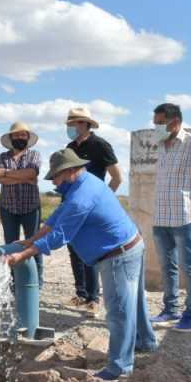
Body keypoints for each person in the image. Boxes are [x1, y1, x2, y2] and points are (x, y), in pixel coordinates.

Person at [3, 149, 156, 381]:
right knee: (134, 303)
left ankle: (119, 367)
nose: (54, 182)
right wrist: (30, 240)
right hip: (131, 244)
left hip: (117, 255)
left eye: (56, 176)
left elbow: (59, 236)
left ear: (71, 170)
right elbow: (56, 218)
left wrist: (23, 255)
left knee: (118, 313)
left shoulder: (81, 196)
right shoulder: (82, 184)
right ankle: (145, 342)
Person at [149, 103, 191, 333]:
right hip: (161, 217)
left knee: (190, 267)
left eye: (160, 123)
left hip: (184, 217)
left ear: (174, 121)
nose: (156, 127)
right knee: (168, 267)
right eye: (155, 123)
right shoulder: (161, 146)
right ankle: (170, 309)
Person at [63, 107, 121, 317]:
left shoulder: (100, 145)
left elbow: (117, 177)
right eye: (69, 123)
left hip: (91, 206)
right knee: (74, 249)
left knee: (89, 250)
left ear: (85, 124)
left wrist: (103, 200)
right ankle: (81, 293)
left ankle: (93, 298)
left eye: (74, 123)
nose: (70, 127)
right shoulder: (69, 147)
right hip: (71, 204)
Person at [0, 121, 44, 286]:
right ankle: (14, 282)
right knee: (11, 244)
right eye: (16, 135)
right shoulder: (3, 156)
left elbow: (32, 173)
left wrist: (8, 173)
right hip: (8, 207)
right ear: (11, 138)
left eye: (23, 135)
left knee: (34, 244)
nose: (20, 137)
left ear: (28, 137)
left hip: (31, 206)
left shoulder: (34, 154)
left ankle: (36, 282)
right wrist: (23, 177)